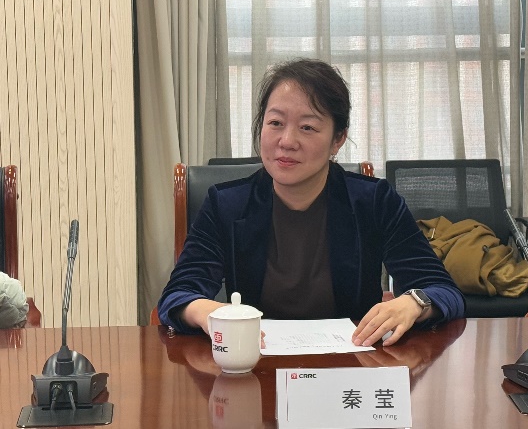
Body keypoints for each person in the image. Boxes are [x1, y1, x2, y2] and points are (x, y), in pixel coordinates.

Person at [157, 58, 464, 347]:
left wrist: (413, 303)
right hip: (257, 364)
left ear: (337, 139)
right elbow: (178, 295)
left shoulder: (374, 201)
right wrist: (209, 312)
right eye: (275, 122)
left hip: (352, 364)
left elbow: (444, 291)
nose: (287, 141)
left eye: (307, 127)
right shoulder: (226, 204)